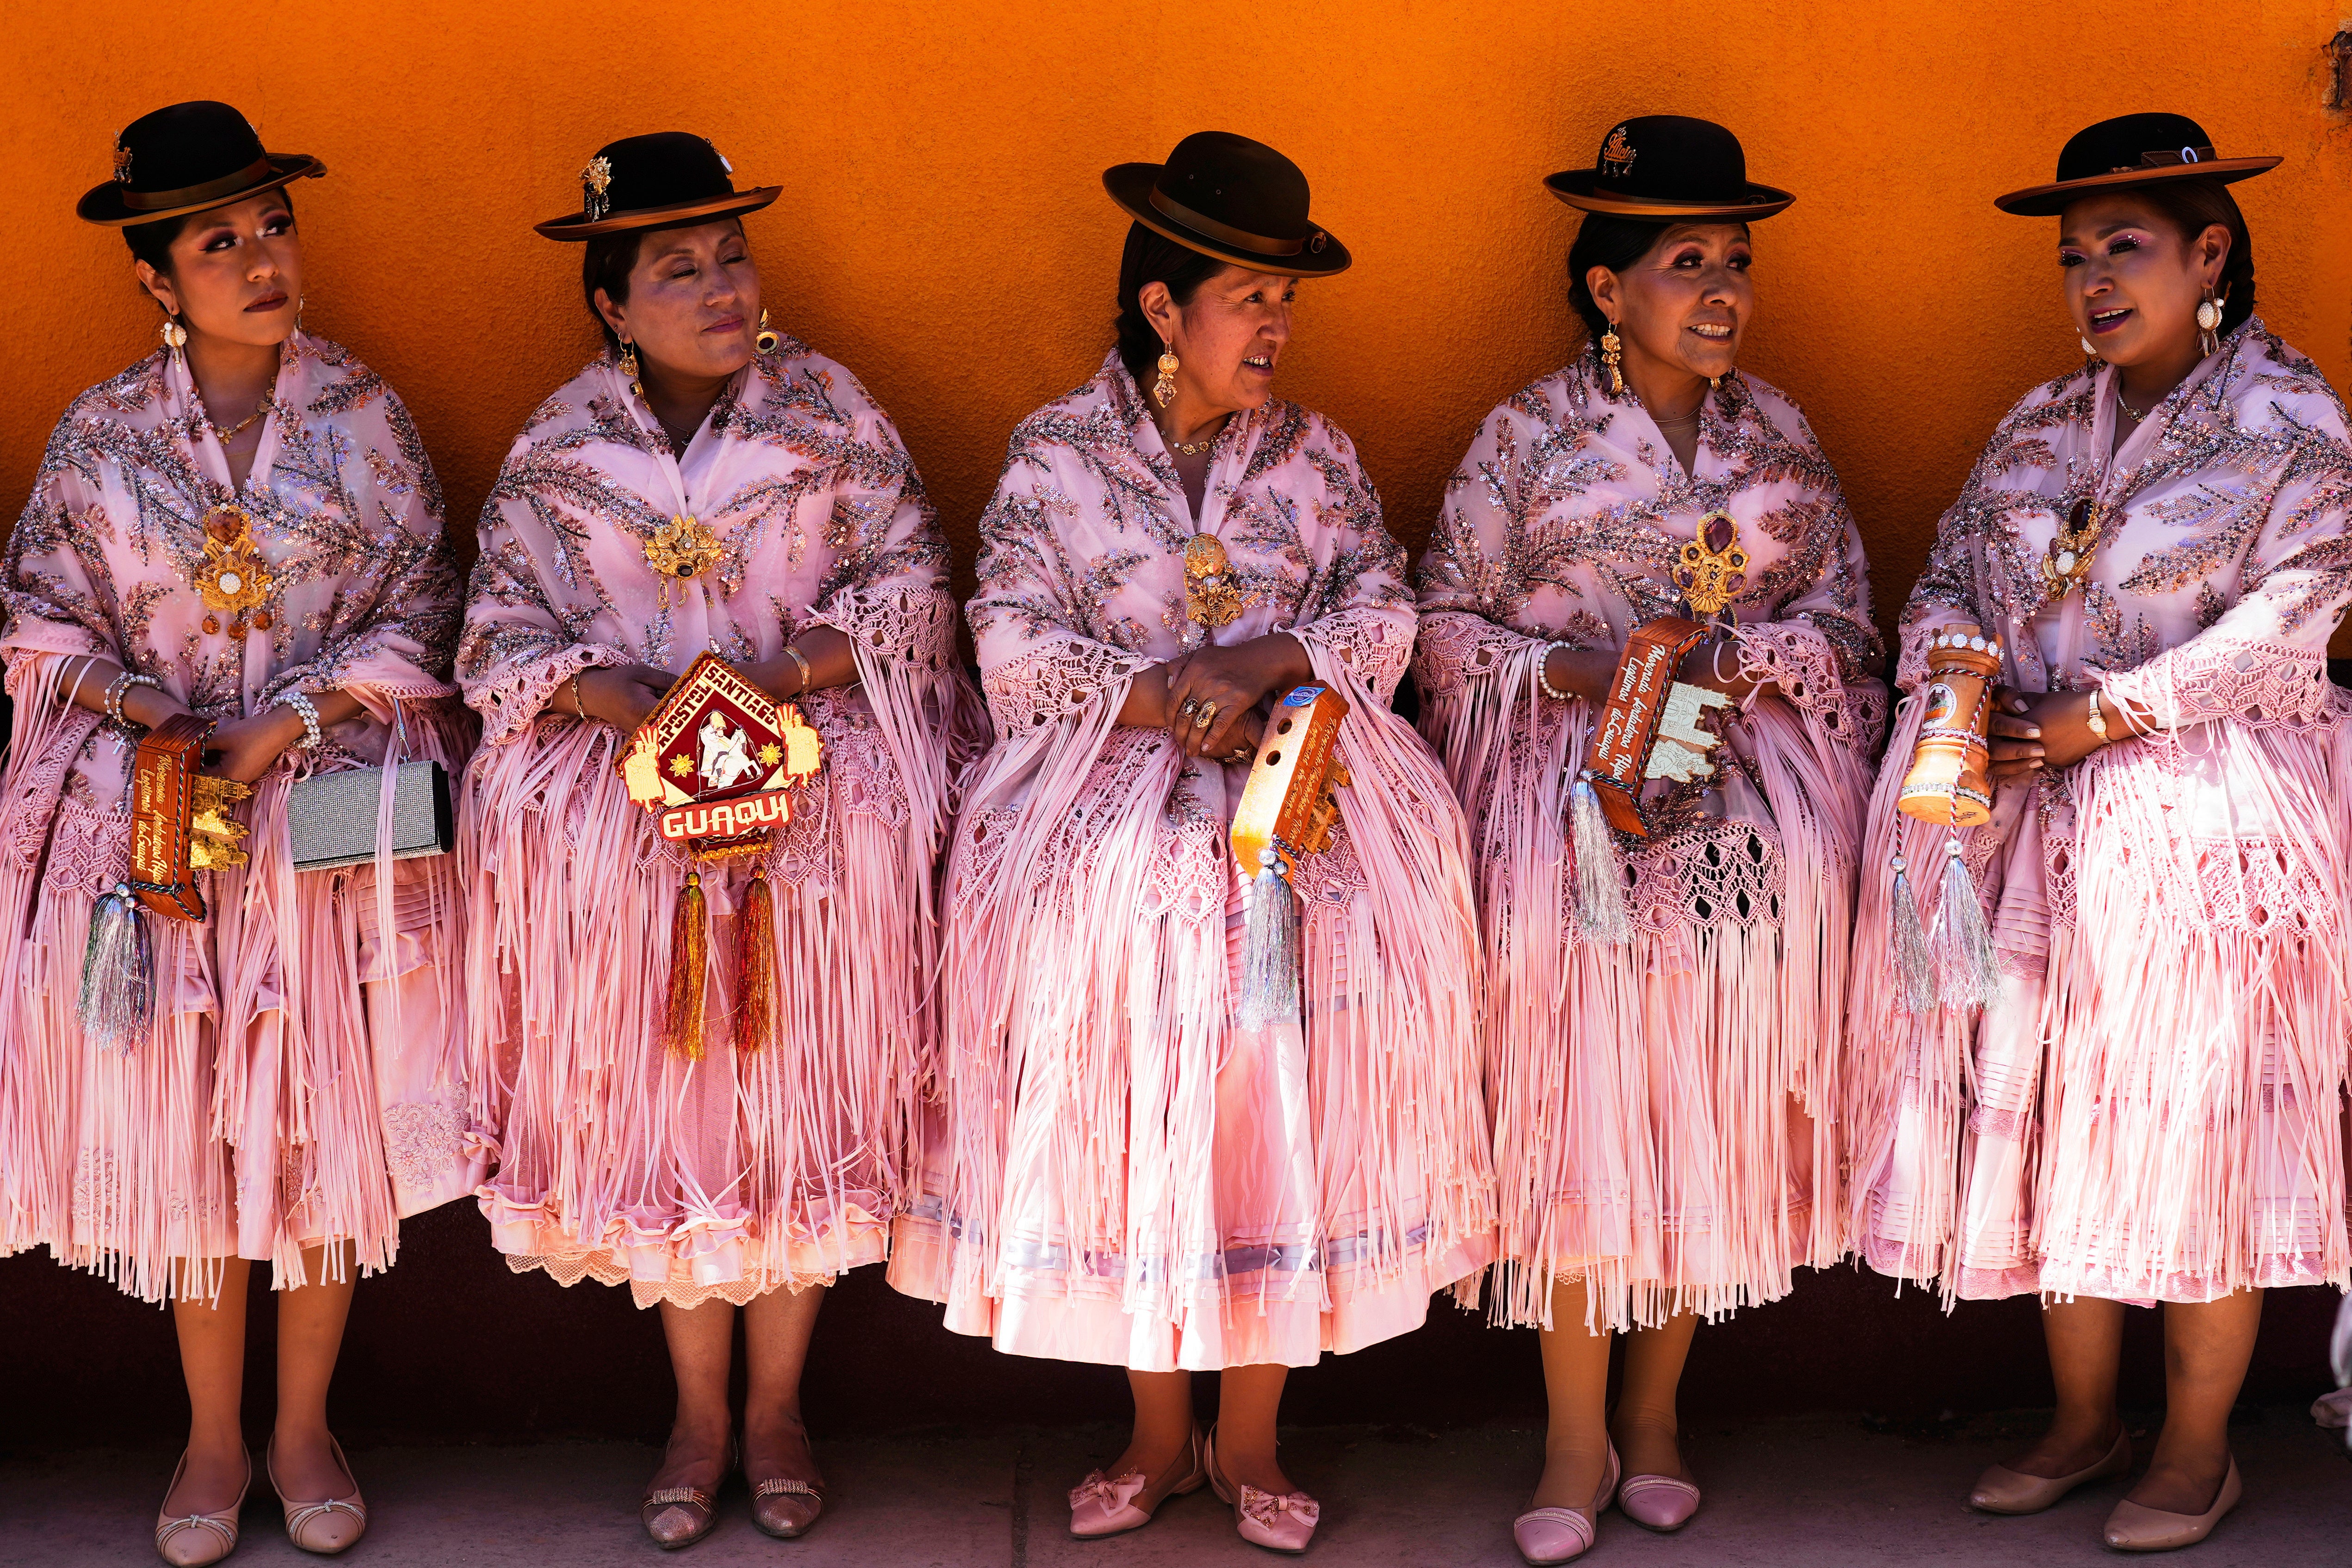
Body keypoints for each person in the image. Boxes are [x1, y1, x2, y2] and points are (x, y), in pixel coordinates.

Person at [889, 131, 1494, 1556]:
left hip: (1305, 784)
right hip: (1111, 784)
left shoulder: (1320, 456)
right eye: (1250, 297)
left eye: (1288, 301)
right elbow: (1011, 635)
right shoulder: (1057, 455)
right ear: (1165, 311)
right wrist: (1161, 697)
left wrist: (1274, 659)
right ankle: (1159, 1432)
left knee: (1283, 1059)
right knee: (1140, 1044)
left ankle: (1256, 1432)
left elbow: (1383, 616)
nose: (1278, 327)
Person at [456, 132, 980, 1549]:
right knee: (681, 1096)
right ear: (612, 303)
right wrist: (617, 696)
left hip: (804, 764)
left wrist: (782, 684)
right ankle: (697, 1408)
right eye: (677, 268)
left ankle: (778, 1405)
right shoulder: (562, 448)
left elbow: (910, 592)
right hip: (637, 785)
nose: (720, 286)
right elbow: (501, 635)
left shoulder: (826, 409)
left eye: (733, 255)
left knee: (789, 1093)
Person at [1845, 113, 2351, 1552]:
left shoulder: (2293, 418)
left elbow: (2300, 614)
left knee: (2191, 1119)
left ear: (2210, 256)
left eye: (2125, 249)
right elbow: (1946, 572)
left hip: (2204, 811)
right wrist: (1957, 673)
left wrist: (2105, 717)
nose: (2093, 283)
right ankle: (2084, 1418)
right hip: (2031, 806)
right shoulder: (2041, 421)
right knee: (2057, 1103)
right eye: (2075, 258)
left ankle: (2197, 1444)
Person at [0, 100, 474, 1563]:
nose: (261, 260)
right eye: (218, 241)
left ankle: (302, 1424)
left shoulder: (364, 419)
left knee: (318, 1104)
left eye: (274, 227)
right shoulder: (101, 437)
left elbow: (425, 608)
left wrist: (289, 721)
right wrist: (141, 700)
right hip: (162, 817)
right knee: (195, 1112)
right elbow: (33, 617)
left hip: (326, 806)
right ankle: (211, 1430)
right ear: (156, 277)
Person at [1414, 117, 1881, 1564]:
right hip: (1574, 795)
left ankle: (1663, 1407)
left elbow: (1853, 623)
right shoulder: (1522, 441)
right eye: (1687, 263)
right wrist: (1584, 677)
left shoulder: (1782, 441)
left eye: (1736, 260)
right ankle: (1572, 1426)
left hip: (1737, 784)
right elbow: (1442, 632)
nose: (1725, 289)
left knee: (1702, 1088)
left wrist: (1754, 666)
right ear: (1608, 290)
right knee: (1582, 1093)